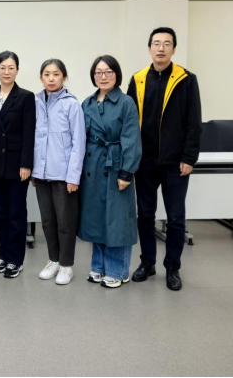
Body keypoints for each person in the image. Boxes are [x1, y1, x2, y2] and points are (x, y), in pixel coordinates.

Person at [127, 27, 202, 292]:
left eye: (166, 43)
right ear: (149, 48)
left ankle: (173, 267)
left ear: (173, 49)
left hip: (175, 163)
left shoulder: (186, 79)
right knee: (145, 215)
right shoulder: (137, 80)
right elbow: (129, 122)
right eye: (156, 43)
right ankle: (147, 263)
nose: (161, 48)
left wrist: (189, 157)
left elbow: (194, 122)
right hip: (145, 162)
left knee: (176, 218)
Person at [79, 55, 142, 289]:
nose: (103, 76)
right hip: (92, 167)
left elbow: (131, 138)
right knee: (96, 218)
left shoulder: (126, 102)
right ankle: (99, 266)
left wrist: (126, 172)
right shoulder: (87, 103)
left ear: (117, 74)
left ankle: (118, 270)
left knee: (117, 220)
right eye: (98, 72)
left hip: (116, 165)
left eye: (108, 72)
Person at [32, 59, 86, 285]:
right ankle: (53, 260)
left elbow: (78, 143)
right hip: (41, 174)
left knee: (65, 222)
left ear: (64, 77)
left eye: (56, 74)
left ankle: (66, 265)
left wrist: (73, 177)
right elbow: (34, 138)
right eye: (47, 74)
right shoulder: (35, 102)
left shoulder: (71, 104)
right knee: (47, 221)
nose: (51, 78)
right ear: (41, 78)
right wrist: (35, 171)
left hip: (64, 176)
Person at [0, 51, 36, 279]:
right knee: (1, 213)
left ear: (17, 70)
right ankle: (3, 255)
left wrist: (26, 164)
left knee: (16, 213)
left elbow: (29, 132)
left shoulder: (26, 97)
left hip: (17, 166)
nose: (6, 72)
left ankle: (16, 259)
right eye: (2, 68)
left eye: (11, 68)